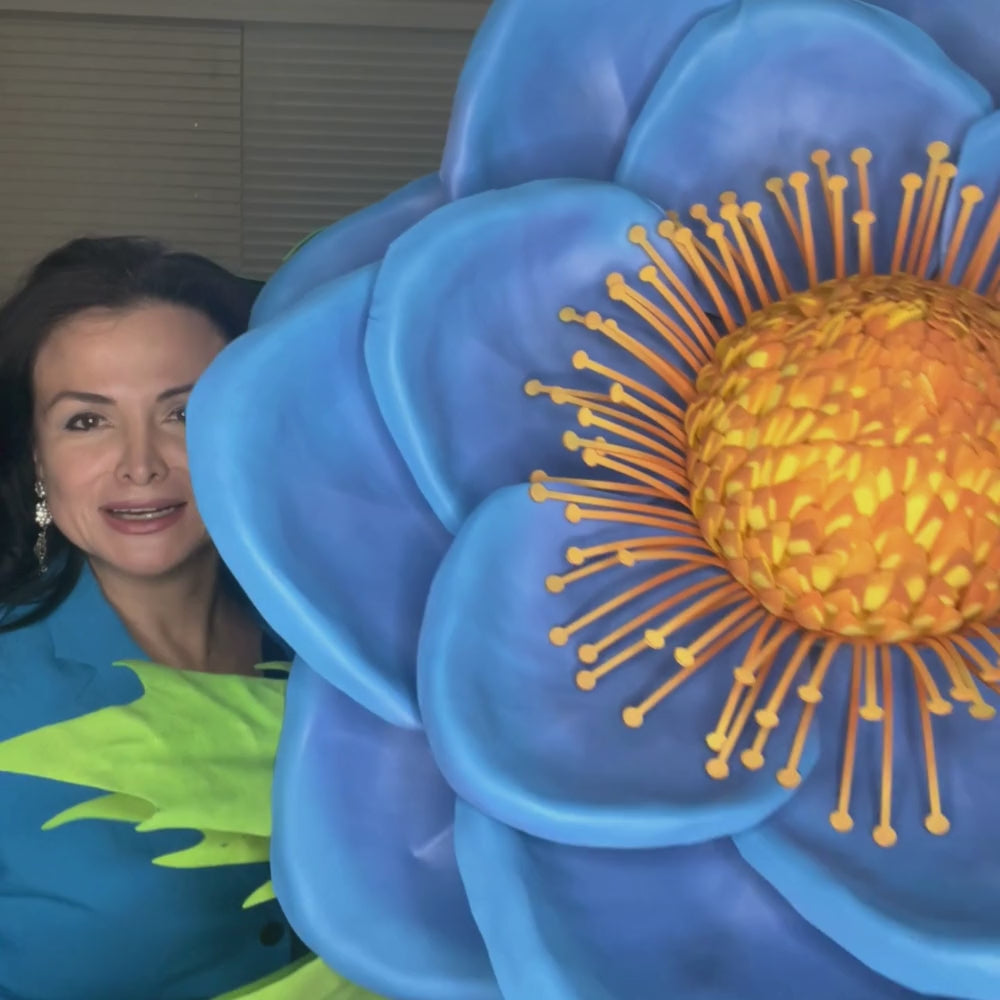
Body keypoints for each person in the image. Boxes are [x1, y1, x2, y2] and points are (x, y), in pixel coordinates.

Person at [0, 237, 296, 1000]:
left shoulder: (338, 650)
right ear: (36, 457)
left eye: (183, 412)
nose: (141, 464)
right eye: (86, 422)